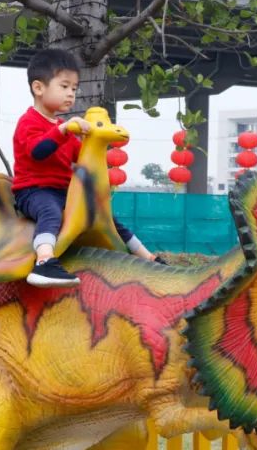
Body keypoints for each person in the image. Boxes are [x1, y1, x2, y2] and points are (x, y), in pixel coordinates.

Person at [12, 48, 164, 287]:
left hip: (65, 191)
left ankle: (148, 257)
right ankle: (43, 261)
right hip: (34, 191)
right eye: (64, 87)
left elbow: (79, 156)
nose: (71, 94)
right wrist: (62, 131)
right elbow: (37, 152)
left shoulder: (64, 127)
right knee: (50, 212)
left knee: (108, 217)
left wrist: (95, 146)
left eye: (74, 88)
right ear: (39, 88)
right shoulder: (29, 122)